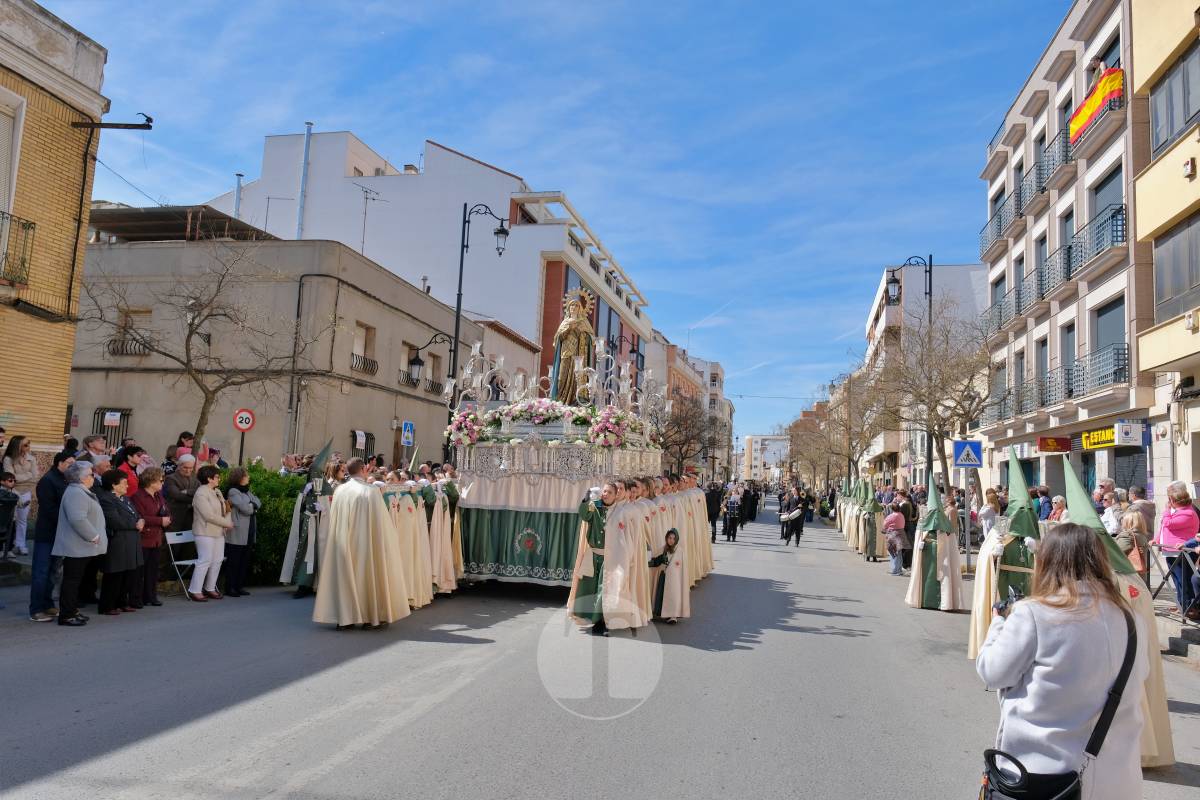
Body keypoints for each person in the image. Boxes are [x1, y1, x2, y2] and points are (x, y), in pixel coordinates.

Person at [976, 523, 1147, 800]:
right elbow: (1140, 677)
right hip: (1116, 775)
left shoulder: (1033, 613)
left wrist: (998, 623)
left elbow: (992, 671)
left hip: (1045, 773)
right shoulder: (1130, 619)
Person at [313, 457, 411, 629]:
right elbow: (382, 523)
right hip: (366, 542)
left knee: (345, 577)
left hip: (342, 542)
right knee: (367, 577)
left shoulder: (340, 491)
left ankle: (345, 618)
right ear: (364, 469)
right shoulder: (371, 490)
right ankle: (369, 617)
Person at [52, 462, 108, 627]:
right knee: (71, 581)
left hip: (81, 546)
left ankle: (72, 610)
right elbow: (77, 519)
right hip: (76, 546)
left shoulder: (80, 491)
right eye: (91, 474)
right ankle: (66, 615)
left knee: (75, 580)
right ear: (82, 478)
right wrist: (93, 536)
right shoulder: (76, 493)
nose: (93, 477)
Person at [28, 451, 74, 621]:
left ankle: (48, 604)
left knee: (53, 572)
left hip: (59, 534)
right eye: (70, 463)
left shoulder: (65, 479)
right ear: (60, 463)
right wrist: (69, 519)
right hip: (47, 534)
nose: (72, 466)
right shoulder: (48, 481)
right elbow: (49, 509)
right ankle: (36, 609)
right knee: (41, 572)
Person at [95, 469, 144, 615]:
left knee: (128, 574)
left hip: (131, 541)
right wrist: (135, 524)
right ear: (113, 485)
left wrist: (141, 519)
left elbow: (136, 514)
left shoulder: (125, 498)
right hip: (118, 542)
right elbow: (115, 521)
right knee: (114, 576)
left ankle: (122, 602)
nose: (127, 486)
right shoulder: (107, 499)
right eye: (124, 483)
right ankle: (108, 605)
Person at [189, 464, 233, 601]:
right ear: (209, 479)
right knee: (205, 560)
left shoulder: (217, 491)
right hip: (204, 531)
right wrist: (227, 523)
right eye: (217, 477)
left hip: (219, 532)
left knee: (217, 560)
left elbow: (226, 509)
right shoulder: (201, 493)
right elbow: (208, 515)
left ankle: (210, 588)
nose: (219, 479)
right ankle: (194, 590)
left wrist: (226, 522)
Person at [1155, 480, 1199, 616]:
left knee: (1184, 580)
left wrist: (1167, 510)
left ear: (1174, 500)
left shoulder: (1188, 513)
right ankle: (1181, 605)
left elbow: (1168, 523)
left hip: (1182, 552)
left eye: (1170, 498)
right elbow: (1163, 528)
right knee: (1176, 580)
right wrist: (1156, 540)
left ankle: (1190, 607)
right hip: (1170, 551)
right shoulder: (1177, 511)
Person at [130, 467, 170, 607]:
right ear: (151, 481)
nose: (162, 482)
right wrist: (160, 521)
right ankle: (136, 598)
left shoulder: (159, 495)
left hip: (157, 538)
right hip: (144, 538)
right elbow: (140, 517)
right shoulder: (138, 496)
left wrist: (168, 519)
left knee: (152, 570)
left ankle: (151, 596)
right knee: (139, 571)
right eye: (160, 480)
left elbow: (166, 510)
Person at [223, 467, 261, 598]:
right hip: (238, 531)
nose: (248, 477)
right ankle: (230, 587)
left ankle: (239, 586)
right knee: (234, 561)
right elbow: (246, 509)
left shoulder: (246, 491)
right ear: (240, 477)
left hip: (249, 531)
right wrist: (252, 505)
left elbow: (258, 502)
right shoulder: (233, 491)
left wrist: (252, 504)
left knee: (244, 560)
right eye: (246, 475)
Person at [2, 435, 37, 556]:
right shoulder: (8, 459)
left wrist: (22, 478)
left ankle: (20, 544)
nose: (28, 446)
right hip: (12, 493)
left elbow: (35, 476)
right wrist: (27, 475)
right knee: (10, 519)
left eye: (29, 443)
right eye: (26, 444)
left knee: (22, 520)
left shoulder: (31, 458)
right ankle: (7, 546)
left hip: (25, 492)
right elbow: (10, 478)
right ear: (18, 446)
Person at [649, 528, 688, 623]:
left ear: (676, 540)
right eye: (669, 538)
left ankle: (673, 615)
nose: (671, 540)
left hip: (675, 579)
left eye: (673, 538)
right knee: (662, 594)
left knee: (673, 596)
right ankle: (664, 613)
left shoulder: (679, 551)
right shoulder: (664, 549)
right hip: (664, 577)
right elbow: (657, 561)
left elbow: (679, 567)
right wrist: (649, 562)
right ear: (666, 538)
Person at [1115, 510, 1151, 588]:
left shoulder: (1128, 536)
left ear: (1128, 522)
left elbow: (1116, 554)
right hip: (1139, 576)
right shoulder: (1142, 536)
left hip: (1126, 576)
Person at [163, 454, 199, 531]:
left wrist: (187, 491)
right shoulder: (171, 478)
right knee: (174, 541)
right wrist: (196, 499)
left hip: (191, 517)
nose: (188, 470)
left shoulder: (195, 479)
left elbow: (201, 491)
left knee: (189, 542)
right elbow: (177, 495)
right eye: (185, 467)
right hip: (175, 516)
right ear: (179, 466)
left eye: (191, 468)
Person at [882, 501, 908, 576]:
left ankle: (895, 570)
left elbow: (885, 524)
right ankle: (898, 569)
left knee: (894, 552)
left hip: (893, 534)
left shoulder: (891, 516)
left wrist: (884, 530)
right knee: (898, 552)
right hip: (901, 533)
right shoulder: (901, 515)